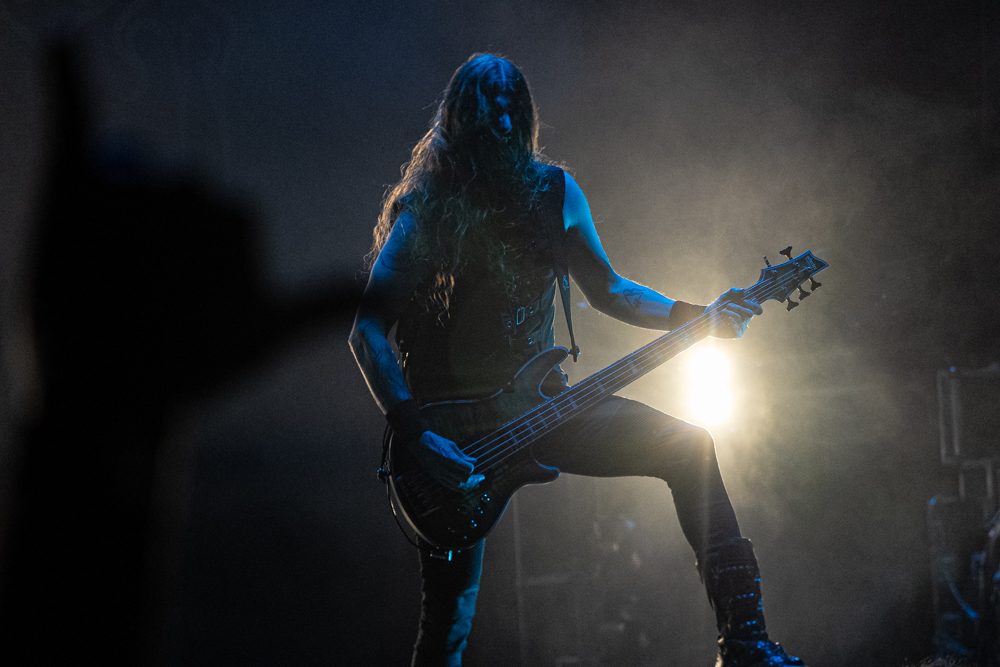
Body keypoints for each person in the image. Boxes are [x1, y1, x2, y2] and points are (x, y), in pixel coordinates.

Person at [349, 53, 805, 667]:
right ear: (459, 121)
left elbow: (611, 290)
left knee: (688, 447)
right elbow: (366, 330)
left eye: (513, 110)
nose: (503, 124)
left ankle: (745, 643)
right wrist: (418, 435)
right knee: (449, 620)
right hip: (455, 438)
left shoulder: (555, 193)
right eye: (488, 111)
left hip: (542, 406)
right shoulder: (428, 209)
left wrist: (698, 314)